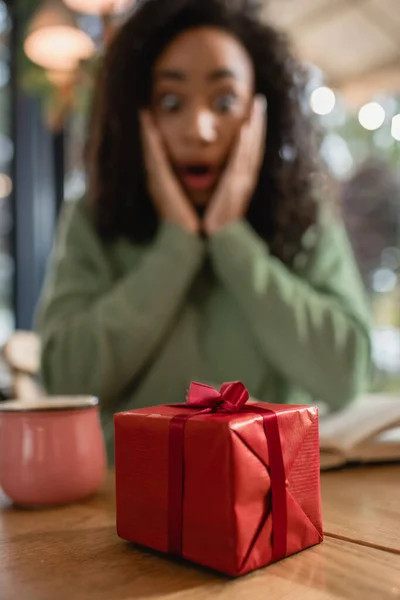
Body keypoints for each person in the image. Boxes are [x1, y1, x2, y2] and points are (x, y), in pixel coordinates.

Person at [36, 0, 371, 462]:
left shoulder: (303, 214)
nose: (199, 128)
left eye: (224, 101)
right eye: (171, 102)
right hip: (126, 498)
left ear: (260, 113)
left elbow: (346, 375)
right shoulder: (94, 216)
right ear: (139, 115)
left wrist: (232, 239)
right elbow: (64, 380)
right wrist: (177, 246)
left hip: (269, 496)